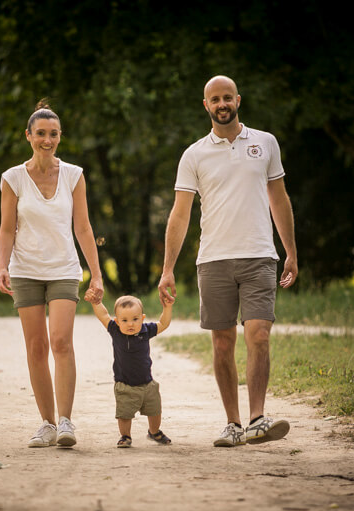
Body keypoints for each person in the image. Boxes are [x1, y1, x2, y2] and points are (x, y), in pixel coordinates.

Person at [158, 75, 298, 447]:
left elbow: (279, 199)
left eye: (227, 98)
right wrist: (168, 269)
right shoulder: (194, 154)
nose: (222, 104)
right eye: (215, 99)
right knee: (222, 342)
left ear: (238, 100)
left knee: (259, 335)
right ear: (206, 105)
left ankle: (257, 419)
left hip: (260, 256)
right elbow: (180, 214)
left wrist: (290, 252)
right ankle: (233, 424)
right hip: (213, 259)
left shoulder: (265, 143)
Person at [0, 99, 104, 448]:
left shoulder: (73, 175)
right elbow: (7, 229)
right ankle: (46, 423)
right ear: (28, 136)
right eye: (41, 133)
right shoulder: (13, 178)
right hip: (25, 270)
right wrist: (2, 266)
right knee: (36, 346)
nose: (47, 140)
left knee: (60, 341)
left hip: (63, 268)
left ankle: (66, 421)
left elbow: (83, 227)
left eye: (53, 134)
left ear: (60, 136)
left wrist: (96, 274)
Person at [87, 294, 173, 448]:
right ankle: (125, 436)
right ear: (117, 321)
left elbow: (163, 323)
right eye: (124, 320)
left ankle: (154, 431)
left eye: (135, 319)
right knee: (124, 414)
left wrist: (167, 308)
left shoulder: (146, 330)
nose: (130, 324)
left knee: (155, 410)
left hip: (148, 383)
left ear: (142, 318)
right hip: (125, 384)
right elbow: (103, 315)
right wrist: (96, 303)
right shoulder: (115, 331)